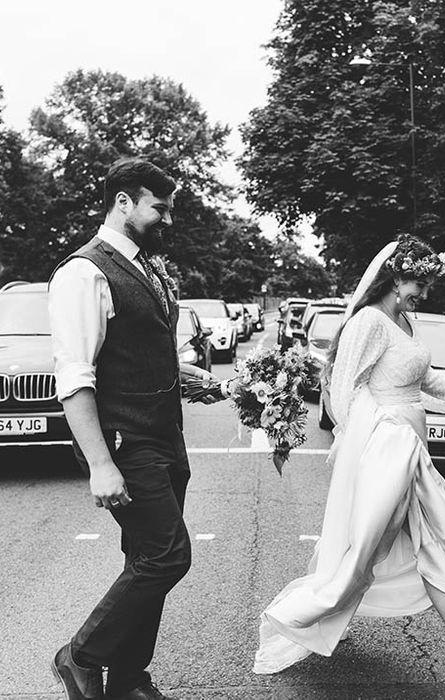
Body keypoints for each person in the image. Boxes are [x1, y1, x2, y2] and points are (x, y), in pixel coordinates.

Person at [253, 234, 445, 674]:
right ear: (396, 277)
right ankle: (296, 617)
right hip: (387, 449)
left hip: (409, 446)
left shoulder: (403, 323)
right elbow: (343, 393)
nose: (424, 293)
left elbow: (427, 380)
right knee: (368, 551)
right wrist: (386, 437)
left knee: (419, 542)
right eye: (420, 283)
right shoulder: (369, 323)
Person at [48, 158, 224, 700]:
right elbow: (76, 376)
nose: (167, 220)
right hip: (124, 441)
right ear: (123, 202)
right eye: (159, 208)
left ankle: (127, 677)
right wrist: (101, 463)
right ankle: (79, 656)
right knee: (168, 555)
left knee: (143, 556)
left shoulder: (145, 267)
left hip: (164, 437)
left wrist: (198, 379)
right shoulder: (85, 272)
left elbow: (145, 353)